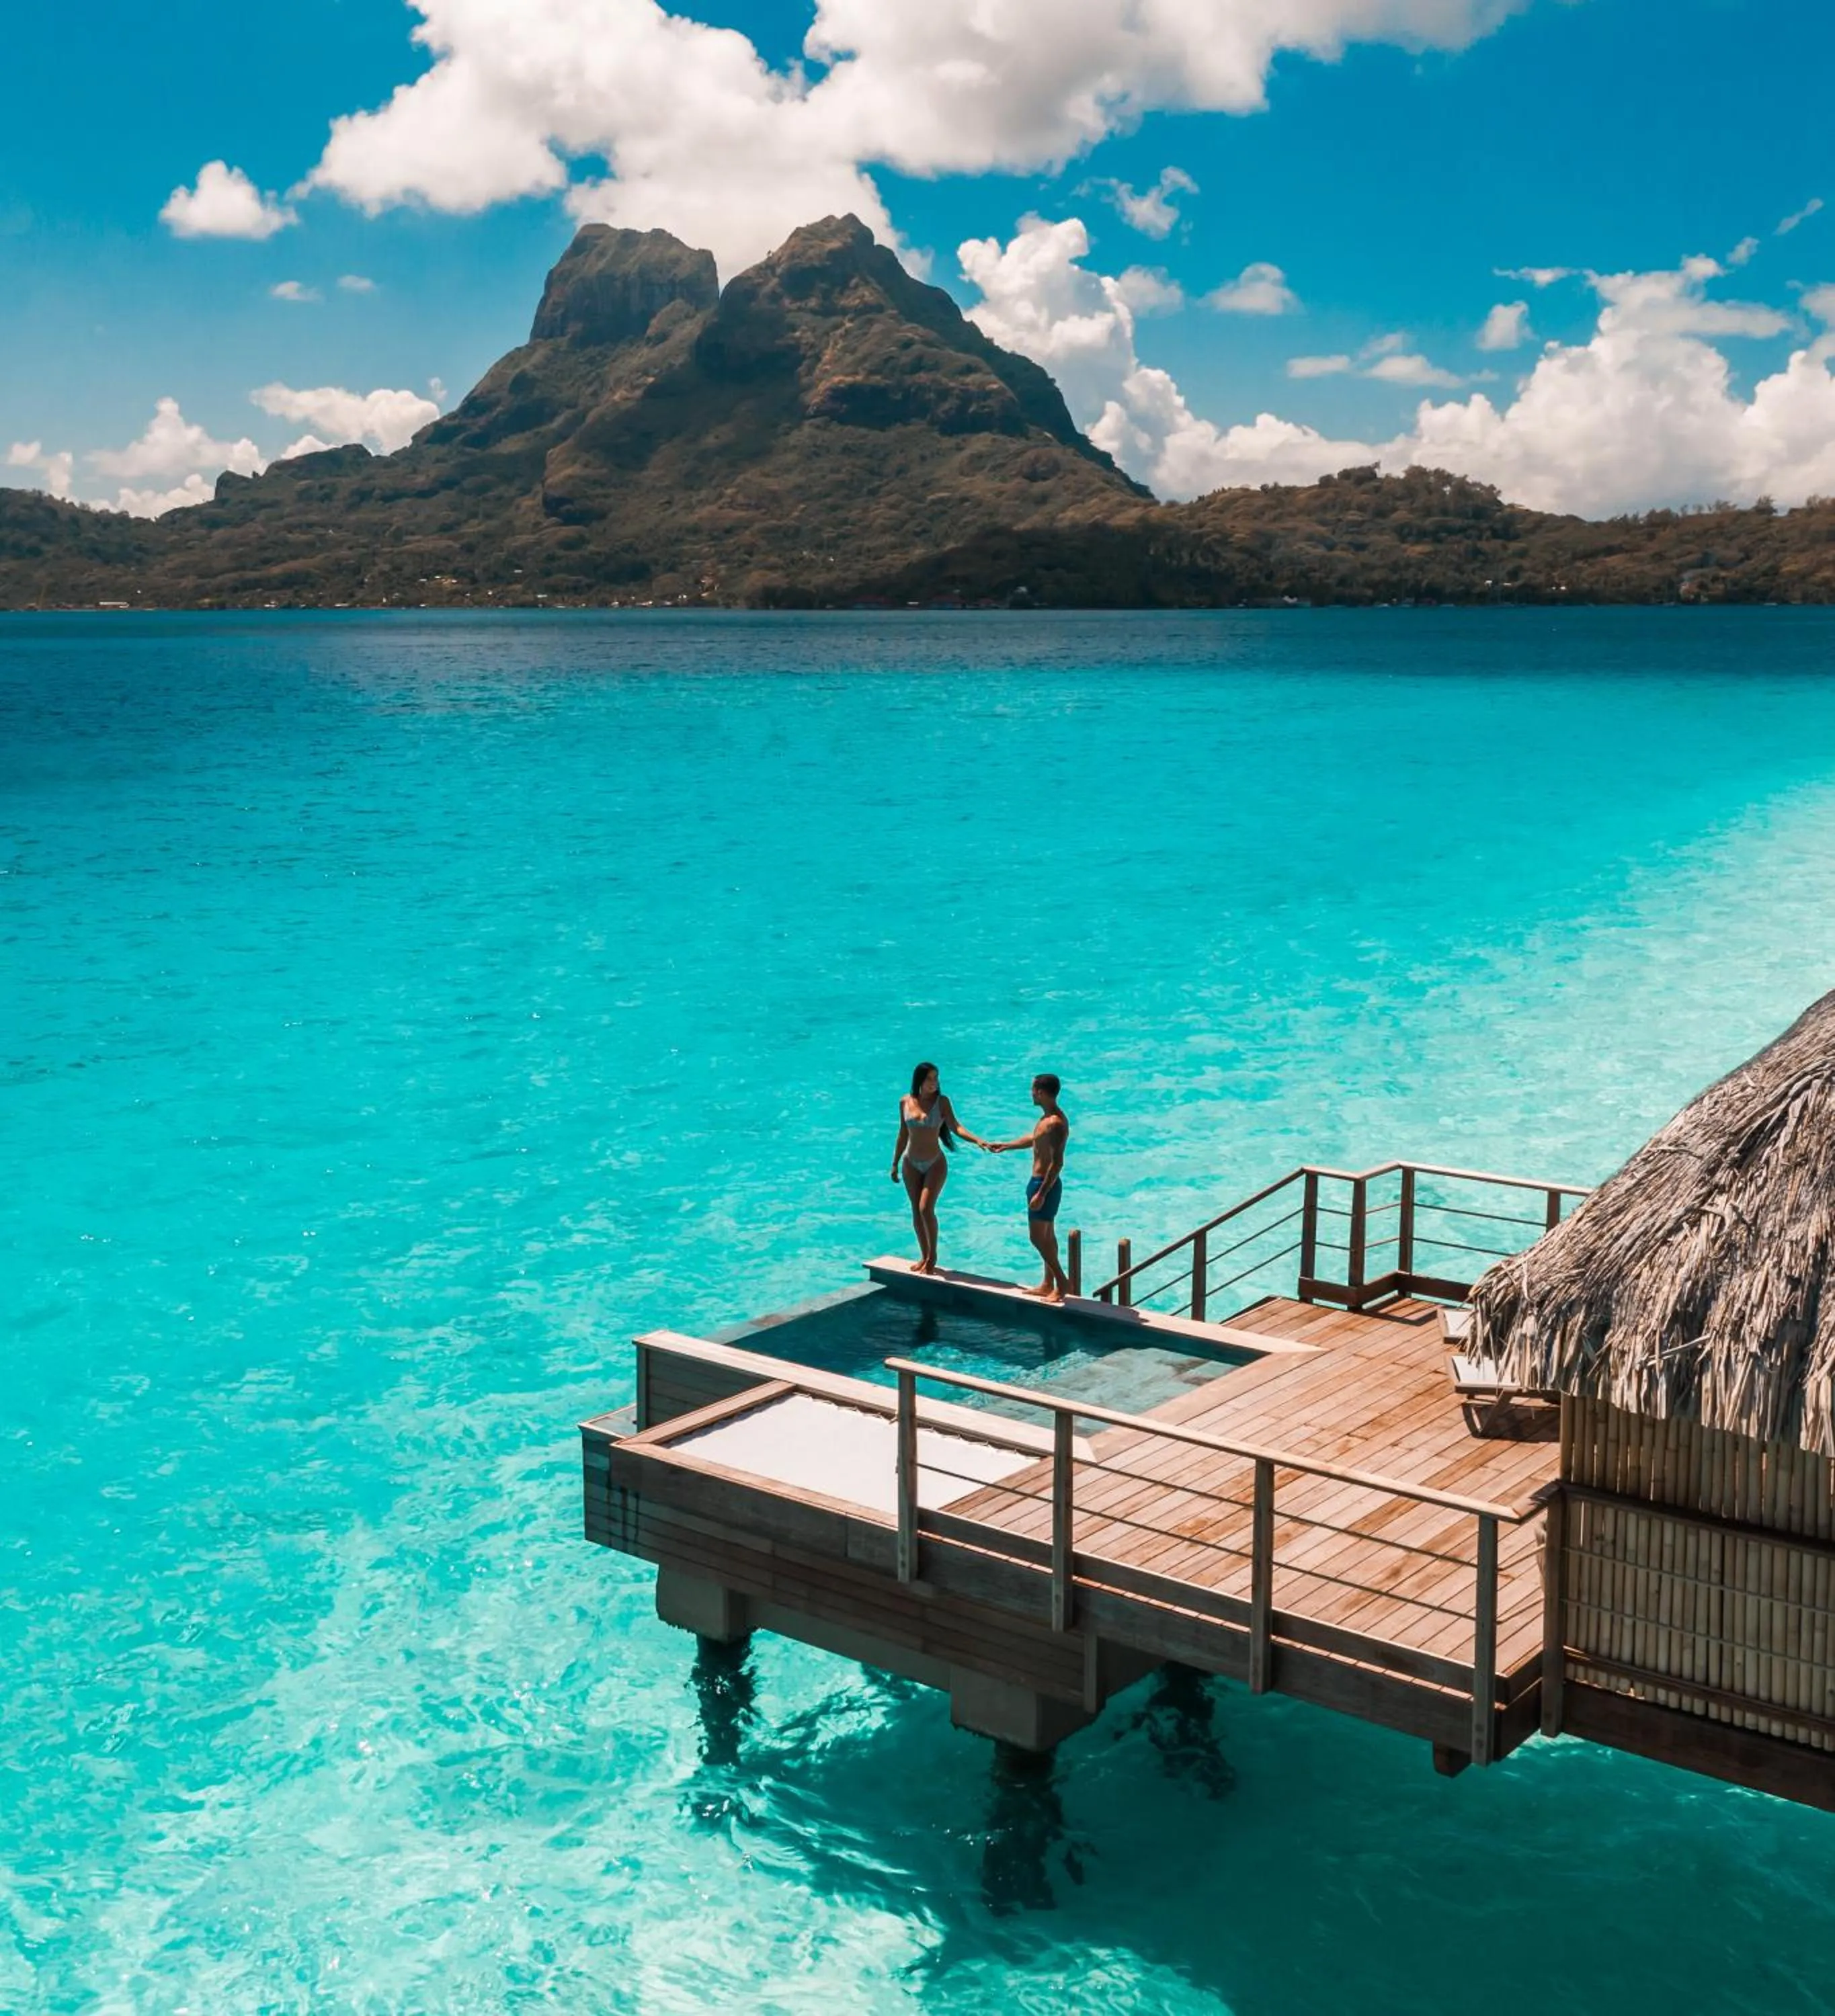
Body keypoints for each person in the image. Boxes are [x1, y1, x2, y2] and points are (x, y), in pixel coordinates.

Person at [891, 1062, 988, 1275]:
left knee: (926, 1208)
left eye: (937, 1078)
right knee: (916, 1211)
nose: (935, 1083)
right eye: (930, 1079)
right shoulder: (905, 1102)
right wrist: (895, 1163)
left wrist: (977, 1140)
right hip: (910, 1163)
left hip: (935, 1163)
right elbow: (903, 1134)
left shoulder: (942, 1102)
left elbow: (956, 1127)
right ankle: (924, 1256)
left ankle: (933, 1256)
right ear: (920, 1080)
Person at [987, 1074, 1071, 1303]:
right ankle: (1048, 1284)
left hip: (1044, 1184)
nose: (1031, 1094)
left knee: (1036, 1238)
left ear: (1042, 1092)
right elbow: (1034, 1139)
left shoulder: (1055, 1123)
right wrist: (1007, 1145)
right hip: (1042, 1184)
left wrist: (1041, 1193)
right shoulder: (1047, 1119)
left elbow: (1057, 1162)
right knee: (1048, 1236)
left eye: (1033, 1090)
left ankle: (1062, 1282)